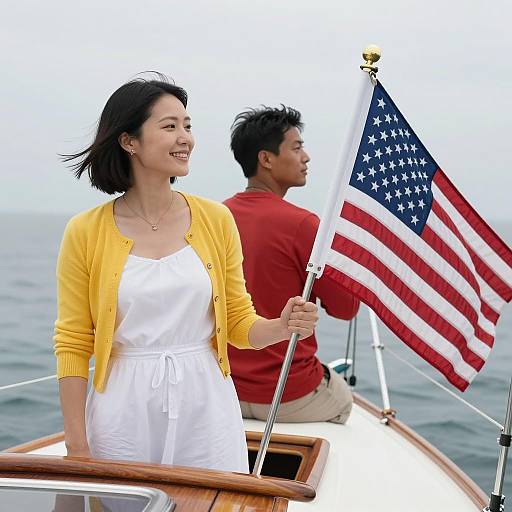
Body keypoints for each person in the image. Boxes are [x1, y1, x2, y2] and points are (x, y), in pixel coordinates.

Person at [54, 76, 319, 474]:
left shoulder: (216, 219)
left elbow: (239, 323)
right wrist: (77, 446)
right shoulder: (85, 230)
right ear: (130, 141)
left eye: (188, 126)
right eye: (170, 126)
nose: (186, 138)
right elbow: (74, 342)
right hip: (123, 409)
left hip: (206, 405)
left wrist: (282, 326)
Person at [224, 105, 359, 424]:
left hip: (225, 391)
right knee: (344, 401)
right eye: (297, 147)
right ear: (266, 159)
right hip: (288, 395)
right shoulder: (304, 225)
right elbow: (345, 309)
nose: (306, 156)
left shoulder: (215, 218)